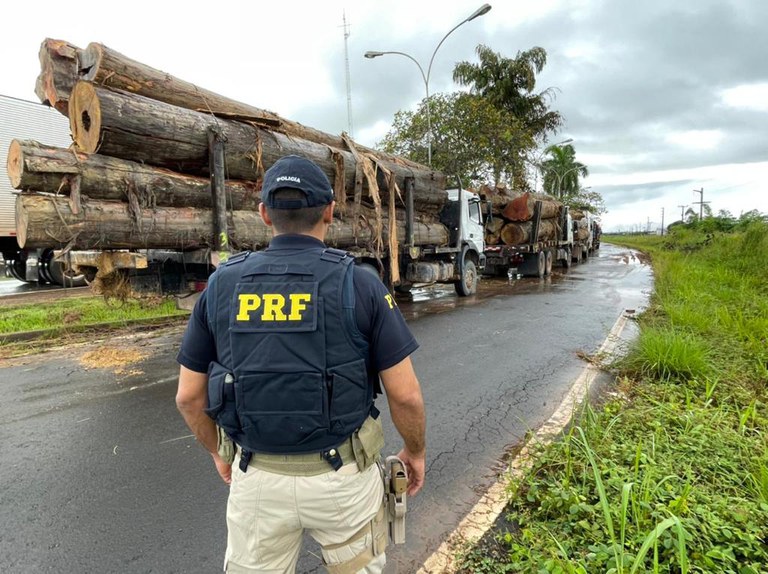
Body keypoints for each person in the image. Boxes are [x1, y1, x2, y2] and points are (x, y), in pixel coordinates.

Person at [175, 154, 426, 574]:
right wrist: (414, 452)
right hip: (344, 480)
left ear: (263, 214)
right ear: (329, 211)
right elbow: (405, 394)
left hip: (256, 477)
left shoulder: (222, 284)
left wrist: (221, 452)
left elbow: (188, 397)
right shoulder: (360, 282)